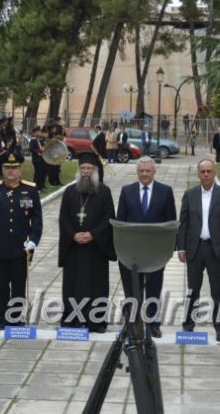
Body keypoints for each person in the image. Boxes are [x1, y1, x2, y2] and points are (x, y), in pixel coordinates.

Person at [116, 156, 176, 338]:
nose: (144, 174)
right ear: (137, 172)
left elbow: (171, 222)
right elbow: (120, 222)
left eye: (147, 171)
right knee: (132, 291)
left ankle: (153, 324)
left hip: (155, 253)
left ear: (154, 172)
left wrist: (170, 248)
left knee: (153, 289)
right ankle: (132, 325)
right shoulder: (127, 191)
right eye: (141, 171)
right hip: (131, 253)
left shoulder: (165, 191)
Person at [0, 151, 43, 330]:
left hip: (21, 245)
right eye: (7, 168)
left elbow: (37, 218)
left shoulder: (30, 189)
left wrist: (33, 240)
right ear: (2, 169)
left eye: (14, 168)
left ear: (20, 170)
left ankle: (15, 317)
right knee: (0, 283)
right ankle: (2, 314)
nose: (10, 171)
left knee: (18, 284)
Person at [176, 159, 220, 341]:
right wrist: (181, 247)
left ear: (214, 173)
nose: (206, 174)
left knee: (217, 290)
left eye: (209, 171)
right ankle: (188, 325)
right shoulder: (190, 194)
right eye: (203, 171)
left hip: (215, 249)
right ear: (198, 174)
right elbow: (183, 223)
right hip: (194, 248)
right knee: (193, 289)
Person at [58, 152, 116, 332]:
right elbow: (63, 218)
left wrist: (92, 234)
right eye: (82, 168)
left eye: (89, 168)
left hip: (95, 249)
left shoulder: (104, 192)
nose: (85, 172)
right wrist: (73, 234)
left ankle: (96, 321)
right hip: (74, 247)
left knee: (96, 284)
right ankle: (72, 319)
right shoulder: (69, 191)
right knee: (72, 284)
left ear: (95, 170)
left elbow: (109, 219)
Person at [29, 127, 46, 192]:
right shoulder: (33, 140)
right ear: (35, 132)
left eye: (40, 131)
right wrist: (39, 150)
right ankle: (36, 188)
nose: (40, 133)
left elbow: (43, 147)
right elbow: (31, 149)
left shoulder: (40, 140)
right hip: (36, 159)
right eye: (38, 132)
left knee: (41, 173)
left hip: (41, 159)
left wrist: (43, 148)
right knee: (37, 174)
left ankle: (41, 186)